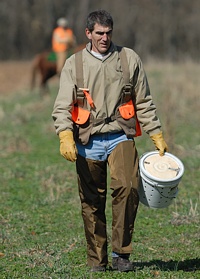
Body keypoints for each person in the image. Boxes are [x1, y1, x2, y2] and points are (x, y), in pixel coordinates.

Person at [52, 10, 168, 273]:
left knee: (128, 189)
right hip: (87, 140)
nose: (105, 38)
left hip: (120, 135)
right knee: (92, 202)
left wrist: (156, 133)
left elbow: (144, 102)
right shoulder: (74, 63)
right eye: (99, 33)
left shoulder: (128, 58)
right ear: (88, 34)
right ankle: (97, 260)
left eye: (108, 33)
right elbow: (62, 106)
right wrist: (65, 135)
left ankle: (121, 254)